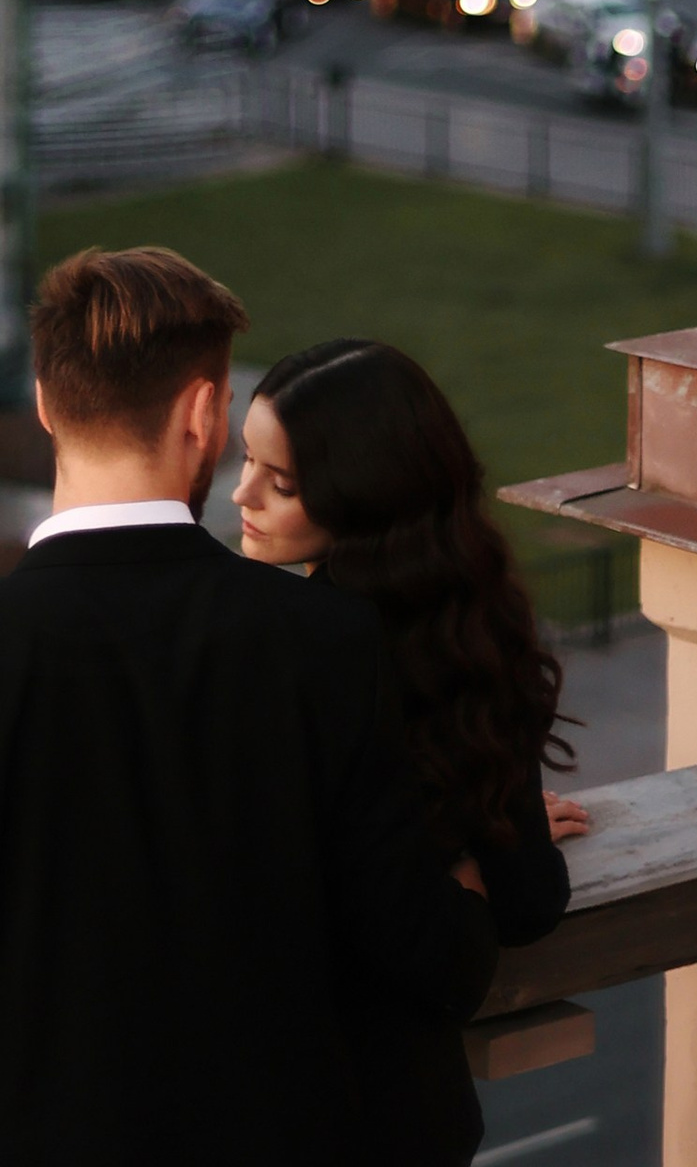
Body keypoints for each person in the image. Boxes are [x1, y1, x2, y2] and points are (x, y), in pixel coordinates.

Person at [0, 244, 501, 1163]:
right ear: (205, 412)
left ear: (46, 404)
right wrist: (467, 873)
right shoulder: (324, 637)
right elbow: (424, 954)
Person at [235, 341, 583, 1163]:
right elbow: (528, 902)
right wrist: (473, 859)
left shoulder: (277, 650)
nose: (242, 495)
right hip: (403, 1115)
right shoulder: (465, 638)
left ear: (366, 496)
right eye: (245, 462)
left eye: (280, 483)